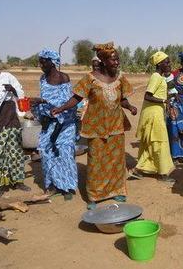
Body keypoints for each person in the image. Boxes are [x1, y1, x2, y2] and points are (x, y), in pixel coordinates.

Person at [52, 42, 137, 209]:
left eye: (117, 59)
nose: (117, 62)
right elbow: (77, 98)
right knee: (96, 161)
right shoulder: (90, 78)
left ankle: (117, 190)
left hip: (116, 126)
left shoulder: (120, 78)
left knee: (116, 161)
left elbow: (122, 99)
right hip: (96, 127)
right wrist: (62, 108)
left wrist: (130, 107)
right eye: (113, 60)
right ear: (104, 61)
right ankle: (94, 195)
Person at [32, 49, 78, 200]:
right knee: (46, 153)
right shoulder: (42, 79)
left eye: (43, 61)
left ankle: (67, 187)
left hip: (64, 124)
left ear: (52, 62)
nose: (40, 64)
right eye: (40, 61)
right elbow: (43, 99)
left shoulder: (63, 78)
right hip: (49, 123)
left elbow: (68, 103)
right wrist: (38, 108)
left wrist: (44, 101)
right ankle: (51, 185)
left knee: (64, 153)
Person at [132, 51, 175, 183]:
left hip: (155, 113)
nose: (169, 64)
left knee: (150, 143)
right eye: (166, 62)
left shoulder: (161, 77)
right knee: (160, 143)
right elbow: (148, 96)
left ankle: (139, 170)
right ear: (159, 64)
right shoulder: (156, 77)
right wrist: (164, 101)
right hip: (153, 115)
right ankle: (163, 174)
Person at [0, 52, 30, 196]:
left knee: (16, 152)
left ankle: (18, 181)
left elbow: (21, 95)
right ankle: (0, 184)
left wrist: (13, 90)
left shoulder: (8, 77)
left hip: (11, 118)